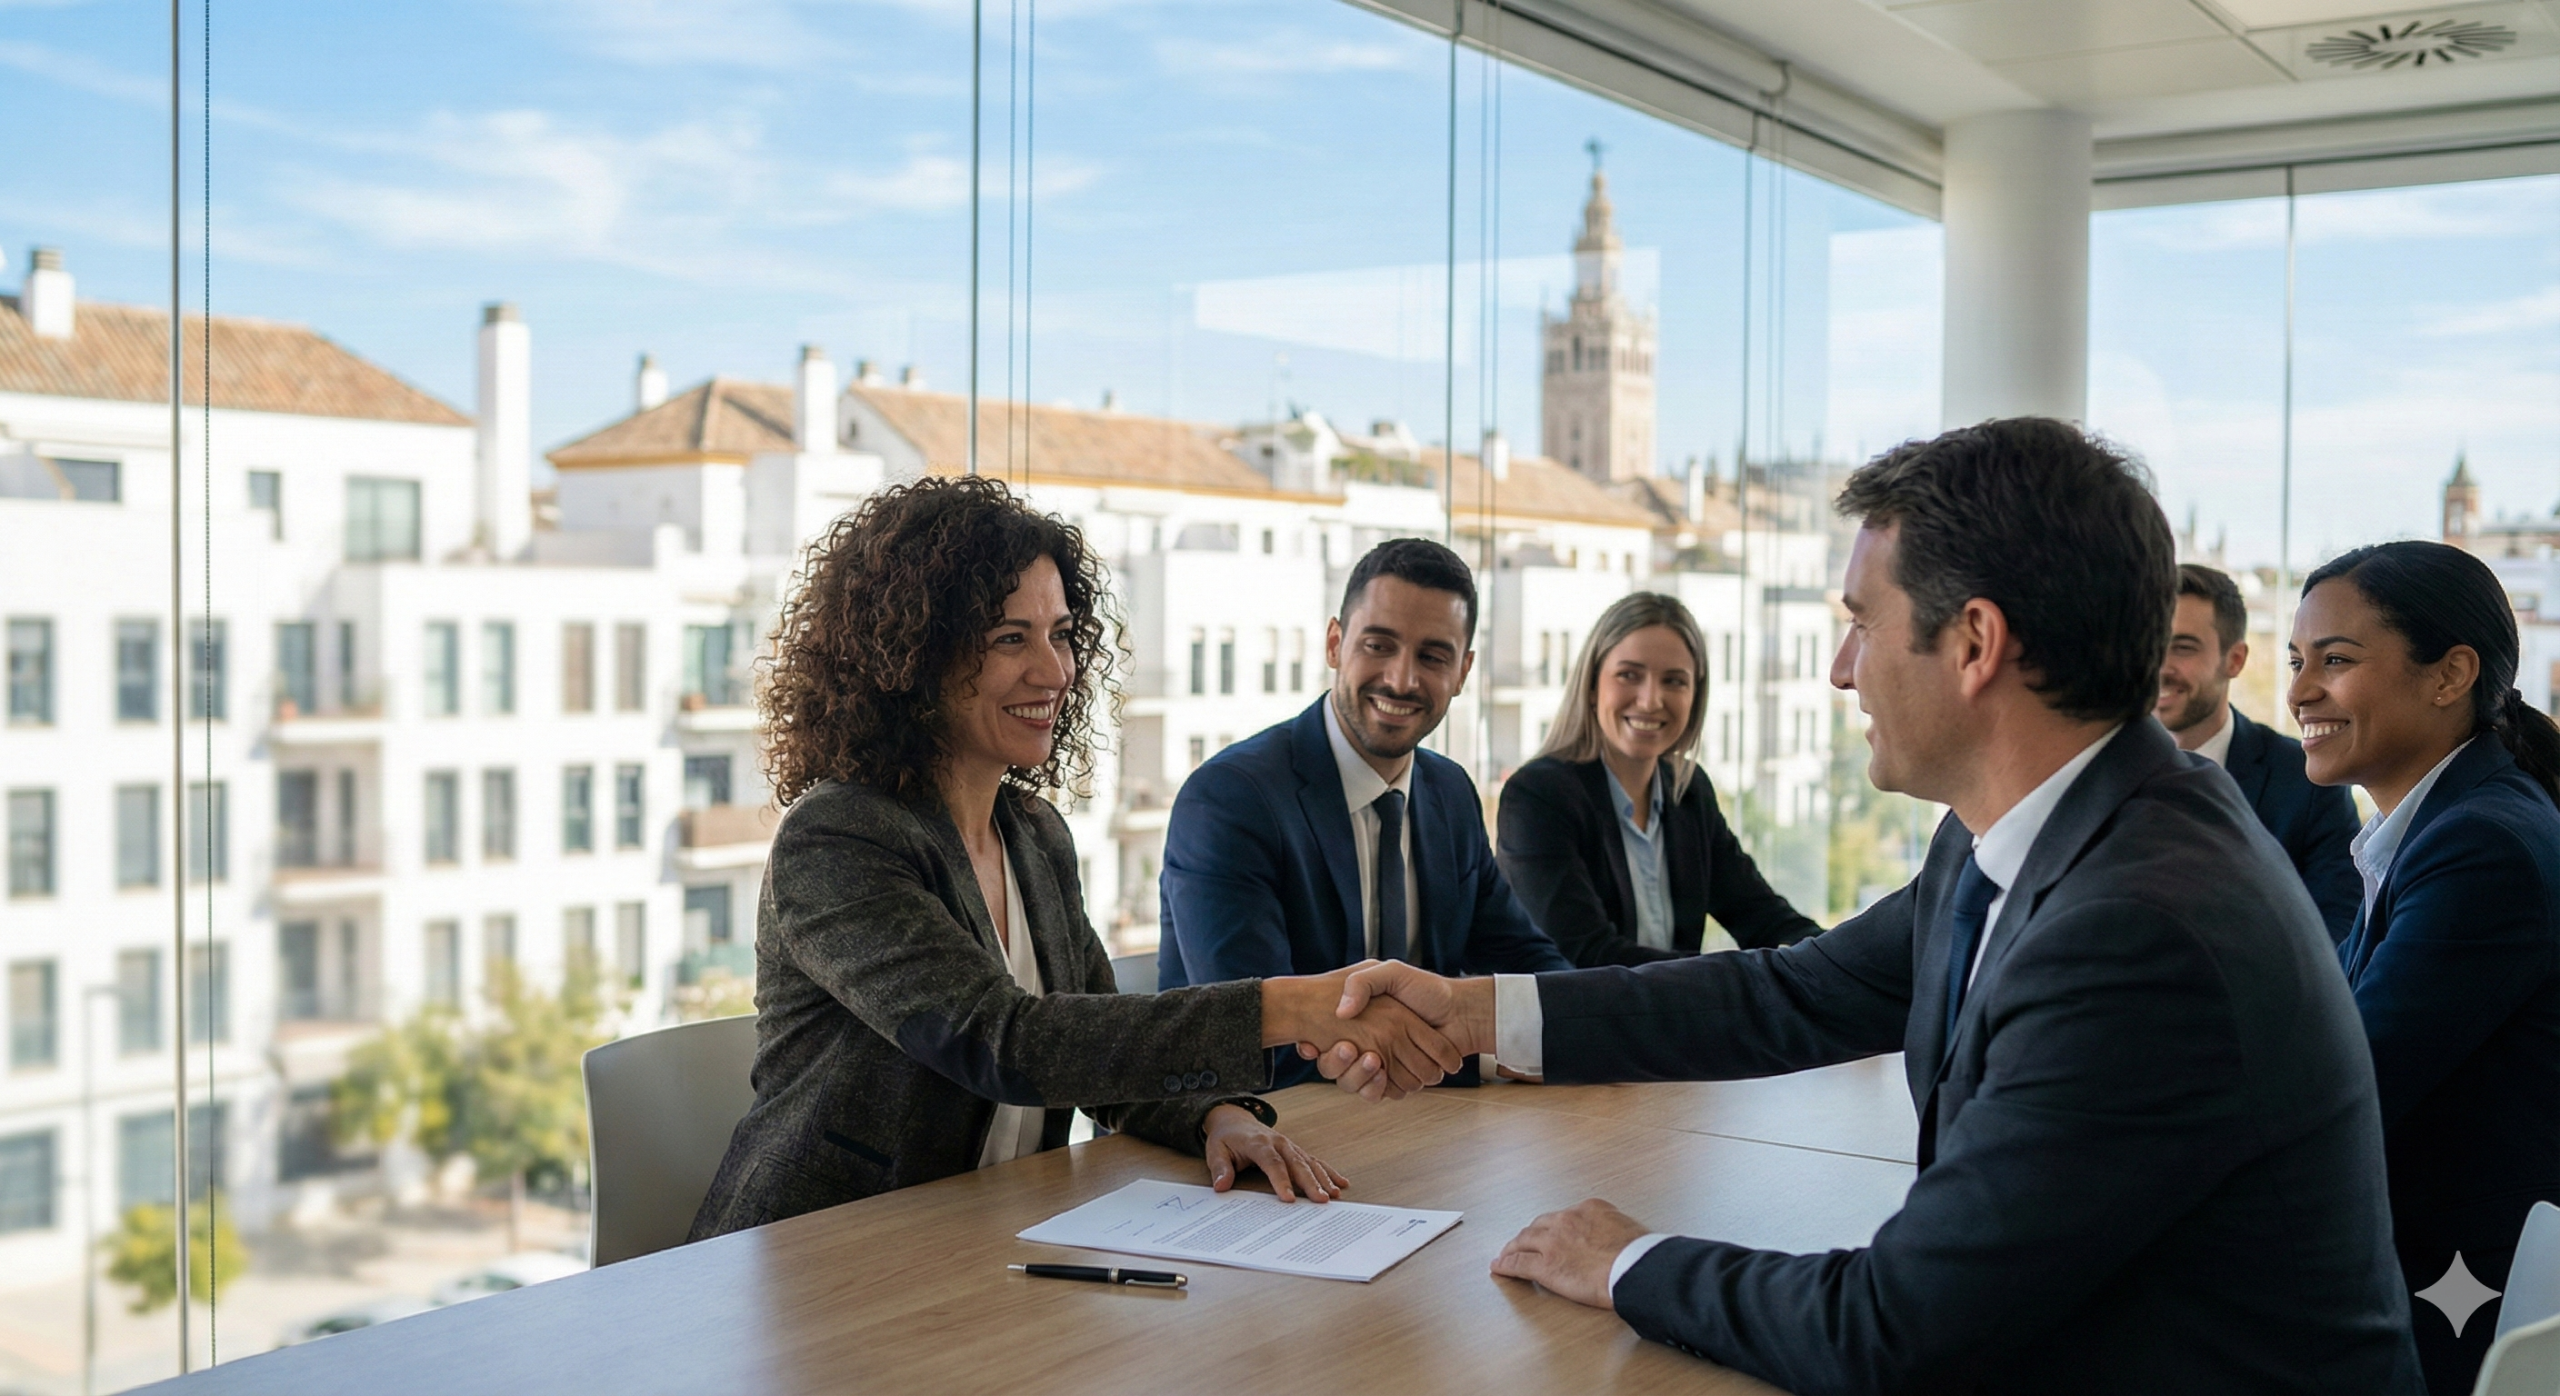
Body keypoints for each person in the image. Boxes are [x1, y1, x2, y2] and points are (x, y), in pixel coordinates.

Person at [1316, 419, 2422, 1394]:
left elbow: (1893, 1333)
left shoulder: (2139, 927)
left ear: (1976, 644)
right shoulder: (2031, 823)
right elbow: (1791, 990)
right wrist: (1470, 1015)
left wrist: (1625, 1260)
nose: (1842, 668)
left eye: (1861, 622)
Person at [688, 478, 1460, 1242]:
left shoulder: (1032, 834)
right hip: (824, 1259)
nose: (1056, 672)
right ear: (915, 658)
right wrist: (1296, 1005)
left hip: (986, 1239)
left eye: (1059, 634)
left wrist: (1214, 1117)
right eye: (1009, 638)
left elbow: (1094, 1041)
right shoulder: (839, 839)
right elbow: (1007, 1043)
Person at [2292, 541, 2560, 1394]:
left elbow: (2347, 1081)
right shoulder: (2439, 827)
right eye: (2297, 661)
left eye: (2334, 661)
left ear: (2449, 675)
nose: (2298, 691)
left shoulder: (2480, 844)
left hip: (2453, 1302)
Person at [1156, 537, 1571, 1084]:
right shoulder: (1231, 798)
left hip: (1419, 1131)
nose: (1401, 679)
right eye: (1379, 645)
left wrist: (1588, 1028)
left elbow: (1530, 967)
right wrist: (1484, 1049)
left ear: (1464, 671)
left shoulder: (1450, 793)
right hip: (1254, 1135)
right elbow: (1250, 1032)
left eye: (1433, 656)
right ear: (1335, 643)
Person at [1497, 591, 1817, 967]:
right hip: (1577, 1024)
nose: (1650, 700)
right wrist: (1733, 983)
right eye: (1629, 675)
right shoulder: (1538, 797)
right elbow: (1584, 956)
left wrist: (1843, 960)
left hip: (1674, 1023)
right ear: (1593, 685)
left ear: (1695, 696)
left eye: (1674, 681)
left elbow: (1763, 916)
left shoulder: (1688, 788)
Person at [2158, 561, 2362, 940]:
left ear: (2234, 660)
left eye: (2181, 648)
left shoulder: (2308, 779)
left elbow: (2337, 933)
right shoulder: (2091, 775)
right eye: (2147, 645)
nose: (2158, 666)